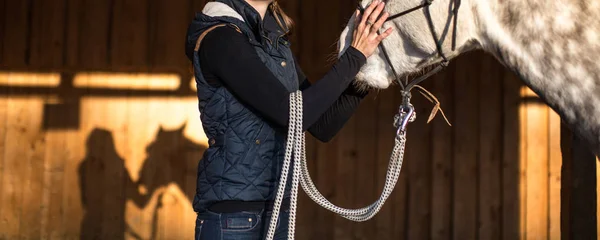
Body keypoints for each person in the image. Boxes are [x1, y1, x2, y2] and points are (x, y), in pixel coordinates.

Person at [184, 0, 392, 239]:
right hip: (234, 218)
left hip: (276, 210)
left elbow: (324, 125)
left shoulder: (275, 46)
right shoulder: (220, 38)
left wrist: (368, 69)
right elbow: (291, 114)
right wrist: (354, 57)